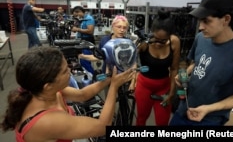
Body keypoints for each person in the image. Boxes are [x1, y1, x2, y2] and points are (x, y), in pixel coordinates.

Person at [0, 47, 135, 142]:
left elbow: (82, 95)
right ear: (48, 85)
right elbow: (102, 126)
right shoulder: (47, 121)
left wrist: (110, 79)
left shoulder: (45, 91)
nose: (70, 70)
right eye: (65, 71)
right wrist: (114, 87)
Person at [169, 0, 233, 126]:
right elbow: (197, 62)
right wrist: (184, 74)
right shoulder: (201, 38)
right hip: (183, 110)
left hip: (209, 120)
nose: (200, 27)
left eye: (206, 21)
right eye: (200, 21)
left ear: (226, 19)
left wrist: (209, 109)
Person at [134, 10, 181, 126]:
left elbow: (174, 68)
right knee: (141, 118)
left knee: (162, 122)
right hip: (144, 85)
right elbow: (131, 61)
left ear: (170, 36)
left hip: (163, 87)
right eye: (156, 38)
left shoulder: (174, 42)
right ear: (151, 32)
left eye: (163, 40)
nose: (159, 43)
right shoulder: (144, 42)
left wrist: (171, 92)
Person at [70, 6, 95, 75]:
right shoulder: (80, 19)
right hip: (80, 41)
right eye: (75, 16)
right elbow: (77, 29)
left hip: (87, 41)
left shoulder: (89, 19)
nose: (77, 16)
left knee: (85, 60)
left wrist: (77, 29)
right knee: (81, 59)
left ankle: (92, 76)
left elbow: (90, 31)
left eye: (77, 14)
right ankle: (87, 75)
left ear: (80, 12)